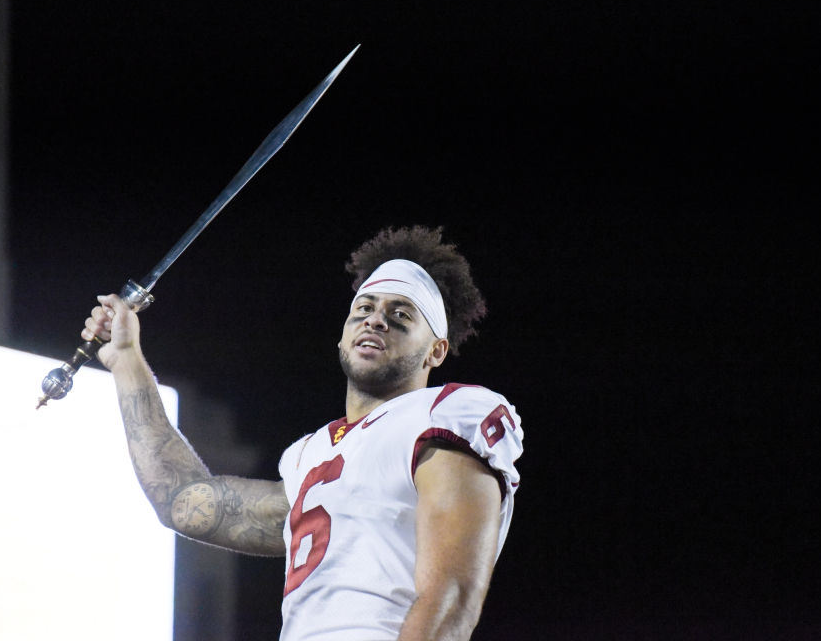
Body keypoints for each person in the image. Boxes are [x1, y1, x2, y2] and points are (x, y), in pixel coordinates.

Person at [82, 226, 523, 641]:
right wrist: (126, 360)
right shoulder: (310, 456)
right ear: (342, 336)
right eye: (363, 309)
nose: (375, 320)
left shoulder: (448, 411)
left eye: (401, 314)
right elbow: (182, 502)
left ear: (436, 350)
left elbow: (451, 597)